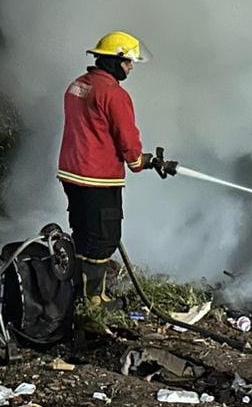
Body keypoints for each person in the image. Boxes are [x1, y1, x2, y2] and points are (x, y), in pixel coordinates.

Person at [58, 30, 176, 304]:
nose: (131, 67)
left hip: (71, 173)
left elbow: (92, 130)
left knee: (84, 233)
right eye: (128, 62)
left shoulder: (77, 85)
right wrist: (141, 160)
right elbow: (127, 141)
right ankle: (94, 301)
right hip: (97, 178)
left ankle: (73, 293)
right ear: (114, 61)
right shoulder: (114, 94)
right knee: (102, 240)